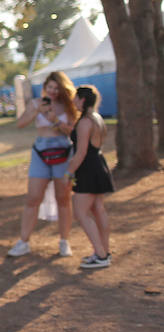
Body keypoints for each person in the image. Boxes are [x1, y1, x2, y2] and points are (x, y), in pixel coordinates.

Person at [7, 71, 78, 258]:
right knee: (33, 197)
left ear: (63, 89)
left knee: (63, 198)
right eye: (50, 87)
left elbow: (73, 131)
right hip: (41, 152)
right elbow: (20, 123)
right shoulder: (36, 103)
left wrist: (55, 121)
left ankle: (64, 241)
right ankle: (24, 241)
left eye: (57, 88)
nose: (53, 91)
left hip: (63, 152)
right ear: (45, 87)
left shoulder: (69, 106)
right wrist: (35, 111)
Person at [66, 85, 115, 269]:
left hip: (88, 169)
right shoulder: (97, 118)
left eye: (75, 98)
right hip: (98, 165)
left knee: (81, 212)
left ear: (82, 100)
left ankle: (101, 254)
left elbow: (81, 152)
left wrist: (68, 172)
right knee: (97, 209)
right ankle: (103, 252)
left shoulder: (86, 122)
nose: (73, 101)